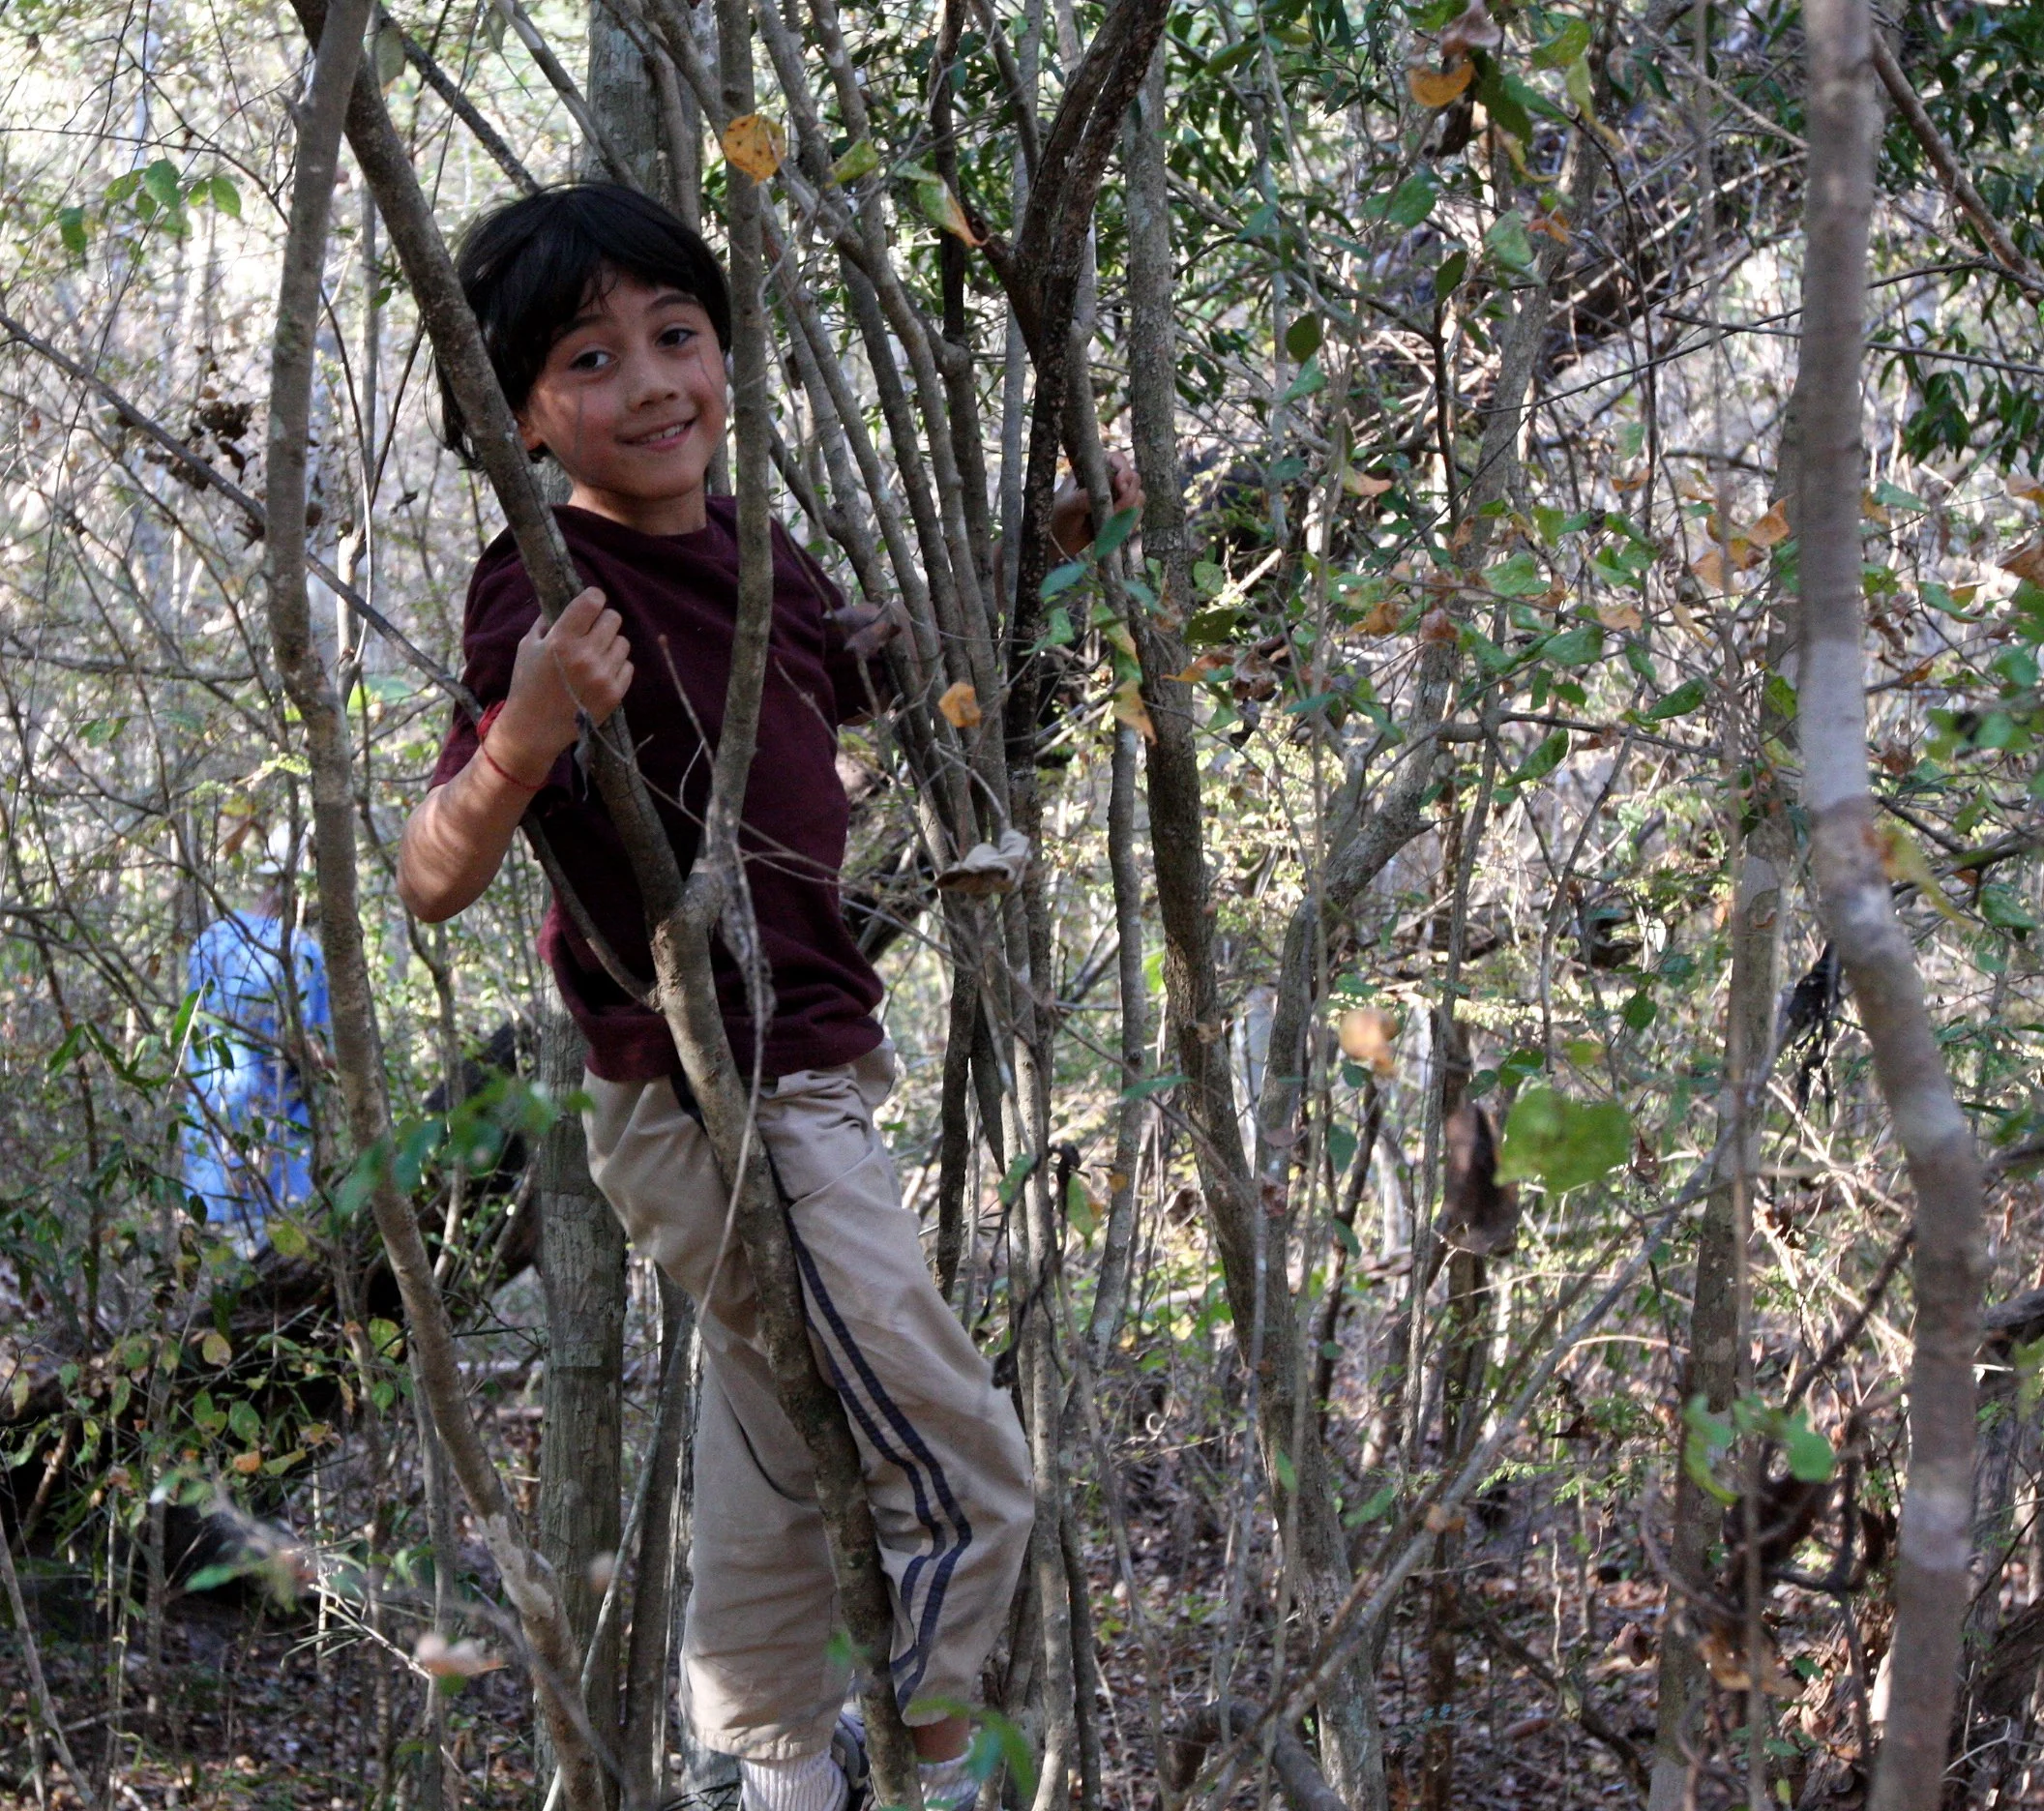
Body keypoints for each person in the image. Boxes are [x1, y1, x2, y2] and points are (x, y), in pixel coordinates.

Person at [396, 182, 1139, 1811]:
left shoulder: (751, 548)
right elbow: (430, 872)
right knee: (961, 1463)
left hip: (798, 1072)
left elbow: (895, 686)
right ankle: (932, 1748)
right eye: (589, 359)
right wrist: (525, 729)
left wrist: (1045, 565)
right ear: (517, 414)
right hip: (711, 1095)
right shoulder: (542, 587)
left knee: (778, 1435)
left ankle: (771, 1762)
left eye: (676, 335)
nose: (652, 382)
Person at [182, 828, 330, 1258]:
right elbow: (313, 1050)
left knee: (220, 1284)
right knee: (270, 1285)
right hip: (277, 1166)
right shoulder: (303, 954)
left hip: (210, 1148)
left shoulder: (208, 942)